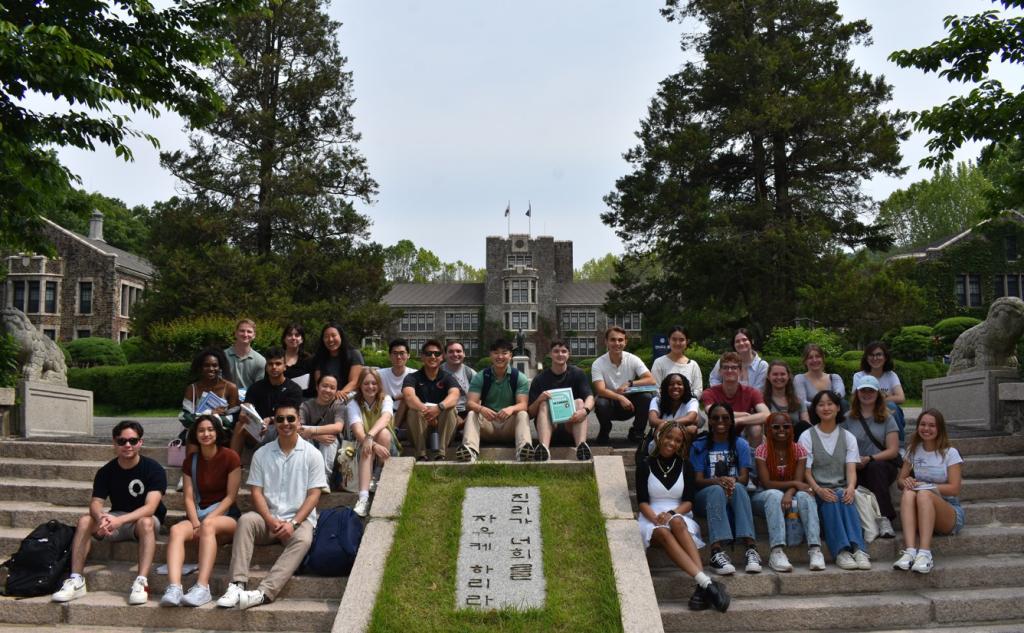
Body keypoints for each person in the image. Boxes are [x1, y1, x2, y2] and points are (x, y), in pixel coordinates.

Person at [216, 401, 326, 610]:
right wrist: (269, 519)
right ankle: (237, 584)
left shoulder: (313, 454)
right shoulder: (262, 453)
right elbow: (256, 492)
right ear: (274, 422)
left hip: (298, 521)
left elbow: (314, 495)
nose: (286, 423)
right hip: (268, 519)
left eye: (291, 419)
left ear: (299, 421)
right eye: (280, 419)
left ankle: (264, 592)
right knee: (247, 520)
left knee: (303, 539)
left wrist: (293, 523)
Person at [52, 421, 167, 605]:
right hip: (116, 519)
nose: (127, 445)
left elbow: (150, 508)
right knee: (84, 521)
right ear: (114, 443)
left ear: (140, 443)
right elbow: (96, 503)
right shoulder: (106, 471)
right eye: (122, 441)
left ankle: (141, 582)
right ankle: (77, 579)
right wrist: (102, 518)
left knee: (145, 522)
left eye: (132, 440)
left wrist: (119, 520)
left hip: (144, 521)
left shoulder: (153, 469)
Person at [637, 421, 729, 613]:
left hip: (680, 512)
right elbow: (642, 501)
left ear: (682, 445)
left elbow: (689, 501)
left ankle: (702, 585)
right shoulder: (644, 464)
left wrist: (671, 513)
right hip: (651, 516)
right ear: (660, 436)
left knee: (676, 522)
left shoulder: (685, 465)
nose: (672, 443)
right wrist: (655, 518)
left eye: (678, 440)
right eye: (669, 437)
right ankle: (707, 583)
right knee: (662, 532)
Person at [160, 415, 241, 607]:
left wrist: (205, 521)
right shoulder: (191, 461)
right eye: (201, 430)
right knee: (176, 530)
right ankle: (174, 587)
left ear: (217, 432)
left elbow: (231, 497)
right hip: (199, 513)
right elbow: (187, 497)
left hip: (226, 515)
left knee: (209, 525)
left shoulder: (230, 456)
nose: (206, 434)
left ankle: (203, 587)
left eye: (210, 429)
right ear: (195, 434)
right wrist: (196, 522)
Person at [800, 391, 870, 571]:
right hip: (816, 492)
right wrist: (818, 489)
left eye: (830, 404)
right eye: (821, 404)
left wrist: (851, 487)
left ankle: (859, 549)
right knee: (831, 497)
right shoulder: (807, 436)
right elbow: (806, 472)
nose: (826, 408)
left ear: (838, 407)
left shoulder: (848, 437)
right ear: (815, 409)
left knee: (842, 494)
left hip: (840, 488)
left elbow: (851, 470)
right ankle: (841, 551)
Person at [690, 403, 761, 575]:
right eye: (715, 418)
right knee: (716, 490)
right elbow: (698, 481)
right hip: (705, 496)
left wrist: (730, 480)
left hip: (733, 491)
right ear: (710, 422)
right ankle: (716, 552)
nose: (720, 421)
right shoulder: (699, 445)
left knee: (738, 487)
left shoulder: (740, 444)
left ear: (731, 421)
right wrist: (718, 481)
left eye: (725, 418)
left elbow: (744, 479)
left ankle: (751, 549)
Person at [893, 408, 964, 574]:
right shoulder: (913, 449)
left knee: (923, 493)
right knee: (909, 492)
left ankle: (925, 553)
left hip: (948, 510)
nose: (926, 428)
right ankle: (910, 552)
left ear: (939, 428)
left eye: (932, 425)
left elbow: (955, 488)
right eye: (923, 424)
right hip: (921, 509)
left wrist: (927, 487)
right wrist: (907, 481)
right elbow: (900, 481)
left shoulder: (950, 453)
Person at [752, 412, 825, 572]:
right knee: (774, 494)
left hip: (789, 497)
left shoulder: (799, 450)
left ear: (792, 429)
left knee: (805, 495)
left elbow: (799, 482)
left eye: (786, 426)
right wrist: (793, 485)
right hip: (764, 498)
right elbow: (767, 483)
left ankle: (815, 550)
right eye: (776, 427)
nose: (781, 430)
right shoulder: (761, 451)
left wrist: (789, 492)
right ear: (768, 430)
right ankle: (776, 551)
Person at [842, 374, 900, 539]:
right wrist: (854, 461)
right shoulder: (847, 419)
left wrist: (870, 458)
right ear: (857, 393)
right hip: (856, 465)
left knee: (875, 468)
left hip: (881, 464)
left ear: (877, 394)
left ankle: (885, 518)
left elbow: (893, 450)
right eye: (863, 391)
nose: (867, 394)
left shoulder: (887, 418)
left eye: (871, 391)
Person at [458, 339, 532, 462]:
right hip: (488, 425)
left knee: (522, 413)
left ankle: (523, 450)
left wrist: (511, 408)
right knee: (472, 413)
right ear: (490, 355)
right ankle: (469, 450)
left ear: (510, 356)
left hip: (509, 427)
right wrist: (481, 408)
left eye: (504, 353)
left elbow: (523, 404)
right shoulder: (481, 376)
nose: (500, 356)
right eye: (496, 353)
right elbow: (470, 403)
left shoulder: (519, 377)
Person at [527, 339, 595, 461]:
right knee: (543, 404)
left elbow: (589, 397)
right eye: (556, 351)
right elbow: (530, 413)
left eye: (564, 351)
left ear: (568, 354)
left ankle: (581, 447)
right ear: (550, 354)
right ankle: (543, 449)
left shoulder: (577, 374)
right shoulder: (540, 379)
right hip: (550, 428)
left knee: (579, 402)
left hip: (572, 426)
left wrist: (585, 411)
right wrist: (539, 400)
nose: (560, 354)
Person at [231, 347, 303, 456]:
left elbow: (291, 415)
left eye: (278, 364)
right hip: (258, 428)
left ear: (285, 367)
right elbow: (248, 404)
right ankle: (233, 465)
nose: (274, 367)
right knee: (240, 424)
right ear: (266, 367)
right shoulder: (256, 387)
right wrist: (244, 412)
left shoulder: (294, 389)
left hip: (280, 426)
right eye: (270, 364)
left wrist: (270, 420)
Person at [591, 326, 656, 444]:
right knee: (600, 402)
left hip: (630, 404)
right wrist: (620, 397)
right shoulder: (598, 363)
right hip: (610, 403)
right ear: (606, 341)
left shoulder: (633, 359)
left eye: (620, 340)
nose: (617, 343)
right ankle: (605, 430)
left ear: (625, 342)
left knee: (646, 397)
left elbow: (651, 379)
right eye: (613, 340)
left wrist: (630, 383)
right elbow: (600, 390)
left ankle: (637, 431)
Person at [347, 367, 395, 516]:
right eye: (366, 383)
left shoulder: (385, 398)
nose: (370, 387)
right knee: (366, 449)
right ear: (360, 385)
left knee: (384, 433)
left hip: (387, 447)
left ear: (379, 384)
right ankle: (363, 498)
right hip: (364, 445)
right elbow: (357, 431)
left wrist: (370, 437)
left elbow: (385, 418)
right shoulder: (352, 403)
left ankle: (378, 471)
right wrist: (370, 442)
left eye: (374, 383)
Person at [402, 340, 461, 461]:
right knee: (414, 410)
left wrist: (439, 408)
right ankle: (421, 455)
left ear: (442, 357)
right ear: (422, 357)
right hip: (419, 429)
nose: (432, 357)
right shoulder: (412, 377)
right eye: (428, 353)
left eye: (436, 353)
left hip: (442, 430)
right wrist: (428, 412)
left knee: (450, 409)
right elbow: (409, 397)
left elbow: (454, 395)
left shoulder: (448, 377)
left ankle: (441, 454)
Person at [701, 352, 770, 446]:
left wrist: (739, 420)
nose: (729, 370)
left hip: (744, 434)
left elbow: (767, 415)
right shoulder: (709, 392)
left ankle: (752, 458)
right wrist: (744, 414)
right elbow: (712, 412)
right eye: (725, 367)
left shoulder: (752, 392)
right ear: (720, 371)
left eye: (734, 367)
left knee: (756, 428)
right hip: (718, 433)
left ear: (740, 371)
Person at [179, 347, 240, 434]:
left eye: (215, 365)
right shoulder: (192, 388)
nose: (211, 369)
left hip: (222, 434)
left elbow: (234, 419)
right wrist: (211, 413)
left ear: (220, 367)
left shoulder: (231, 388)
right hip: (197, 434)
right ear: (200, 367)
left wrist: (199, 417)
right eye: (206, 365)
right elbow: (184, 418)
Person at [854, 341, 906, 441]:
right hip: (866, 410)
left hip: (887, 411)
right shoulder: (859, 376)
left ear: (885, 357)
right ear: (866, 358)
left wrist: (874, 398)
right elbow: (856, 399)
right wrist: (883, 397)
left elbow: (901, 398)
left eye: (879, 355)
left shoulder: (891, 375)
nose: (875, 358)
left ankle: (900, 445)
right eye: (871, 355)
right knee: (890, 405)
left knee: (891, 407)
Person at [298, 373, 347, 480]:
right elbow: (298, 428)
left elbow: (338, 427)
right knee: (303, 438)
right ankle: (304, 477)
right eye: (324, 386)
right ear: (317, 387)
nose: (328, 390)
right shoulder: (306, 405)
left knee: (330, 440)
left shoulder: (338, 405)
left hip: (333, 445)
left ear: (336, 391)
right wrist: (315, 436)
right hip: (311, 440)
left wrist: (312, 431)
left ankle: (324, 479)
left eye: (332, 388)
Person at [311, 322, 364, 405]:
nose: (330, 339)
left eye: (333, 335)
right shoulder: (318, 357)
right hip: (325, 396)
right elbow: (319, 382)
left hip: (347, 397)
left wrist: (339, 394)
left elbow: (354, 382)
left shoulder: (354, 354)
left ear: (341, 336)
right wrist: (331, 394)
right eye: (326, 337)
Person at [650, 326, 704, 400]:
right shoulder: (659, 363)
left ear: (687, 341)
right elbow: (655, 389)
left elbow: (698, 390)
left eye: (681, 340)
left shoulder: (693, 365)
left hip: (688, 407)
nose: (677, 343)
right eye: (674, 339)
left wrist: (685, 402)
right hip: (665, 407)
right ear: (669, 340)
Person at [762, 360, 810, 439]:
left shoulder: (798, 401)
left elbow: (806, 425)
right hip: (771, 442)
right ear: (768, 376)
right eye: (775, 374)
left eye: (782, 374)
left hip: (795, 442)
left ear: (788, 376)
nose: (779, 377)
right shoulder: (761, 401)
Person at [647, 373, 700, 444]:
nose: (675, 386)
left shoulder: (691, 401)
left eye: (679, 384)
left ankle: (683, 454)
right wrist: (674, 427)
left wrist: (665, 425)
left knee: (692, 429)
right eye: (671, 384)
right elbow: (652, 421)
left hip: (681, 441)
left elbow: (690, 418)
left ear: (685, 387)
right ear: (666, 387)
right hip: (661, 440)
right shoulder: (657, 400)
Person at [793, 344, 845, 410]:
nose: (814, 360)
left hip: (833, 417)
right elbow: (802, 402)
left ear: (823, 359)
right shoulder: (799, 379)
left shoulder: (834, 377)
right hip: (811, 417)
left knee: (843, 403)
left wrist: (825, 406)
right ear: (805, 361)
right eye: (810, 357)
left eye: (818, 356)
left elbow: (840, 393)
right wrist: (823, 407)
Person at [224, 318, 266, 393]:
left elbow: (259, 388)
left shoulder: (260, 360)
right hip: (225, 400)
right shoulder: (223, 356)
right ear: (235, 333)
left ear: (254, 335)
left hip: (249, 401)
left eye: (249, 332)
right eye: (242, 331)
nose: (245, 334)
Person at [442, 340, 478, 423]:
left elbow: (478, 399)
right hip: (445, 412)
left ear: (464, 354)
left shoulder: (471, 373)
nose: (455, 354)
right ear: (445, 355)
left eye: (458, 351)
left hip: (467, 413)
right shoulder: (438, 373)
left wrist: (466, 420)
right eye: (451, 352)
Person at [379, 338, 414, 422]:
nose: (398, 357)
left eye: (402, 353)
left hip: (407, 413)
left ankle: (395, 429)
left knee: (407, 396)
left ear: (408, 355)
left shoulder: (415, 374)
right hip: (384, 411)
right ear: (390, 356)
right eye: (395, 353)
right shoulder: (379, 374)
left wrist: (393, 398)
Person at [281, 323, 313, 395]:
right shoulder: (277, 358)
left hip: (302, 399)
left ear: (302, 339)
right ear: (284, 339)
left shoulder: (308, 360)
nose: (293, 338)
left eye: (297, 335)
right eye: (289, 335)